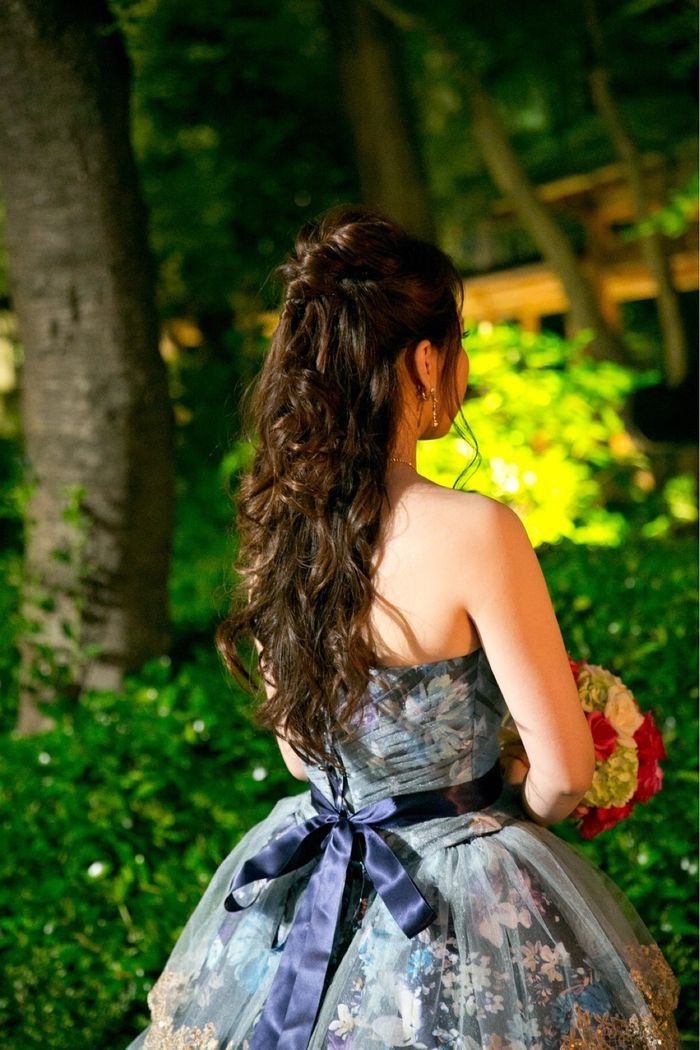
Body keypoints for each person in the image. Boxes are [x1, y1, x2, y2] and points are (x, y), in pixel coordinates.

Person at [126, 204, 681, 1049]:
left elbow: (300, 755)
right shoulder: (476, 529)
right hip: (460, 889)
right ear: (425, 359)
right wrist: (499, 801)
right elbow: (567, 772)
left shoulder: (281, 530)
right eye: (458, 346)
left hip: (313, 868)